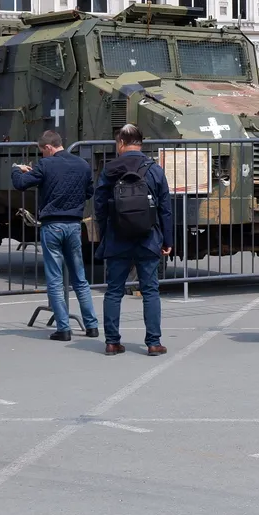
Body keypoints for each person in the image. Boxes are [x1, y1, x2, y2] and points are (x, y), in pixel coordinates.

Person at [94, 124, 175, 355]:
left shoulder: (110, 169)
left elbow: (99, 205)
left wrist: (105, 234)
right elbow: (165, 208)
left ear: (120, 143)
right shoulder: (154, 169)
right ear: (141, 143)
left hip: (117, 237)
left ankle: (112, 342)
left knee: (114, 291)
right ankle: (153, 342)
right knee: (150, 291)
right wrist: (167, 240)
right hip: (148, 237)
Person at [12, 130, 97, 342]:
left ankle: (63, 328)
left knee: (55, 279)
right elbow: (89, 192)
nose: (42, 155)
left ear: (48, 147)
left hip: (52, 225)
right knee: (80, 278)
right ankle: (92, 326)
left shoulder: (45, 165)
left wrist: (16, 170)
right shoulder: (82, 164)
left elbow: (20, 184)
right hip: (74, 225)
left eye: (42, 151)